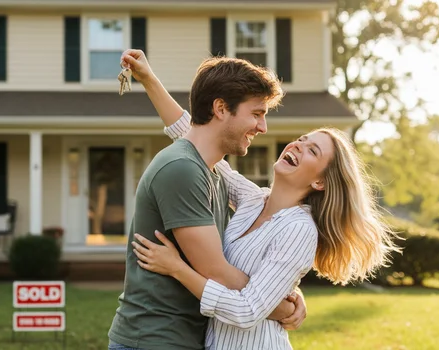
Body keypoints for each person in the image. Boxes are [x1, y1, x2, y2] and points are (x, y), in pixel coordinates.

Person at [125, 49, 401, 349]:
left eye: (312, 151)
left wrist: (178, 268)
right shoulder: (252, 200)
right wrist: (149, 79)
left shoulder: (299, 229)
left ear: (320, 181)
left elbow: (247, 309)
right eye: (303, 140)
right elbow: (193, 135)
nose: (298, 145)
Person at [107, 50, 307, 350]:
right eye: (256, 114)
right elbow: (216, 272)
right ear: (221, 108)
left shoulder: (212, 173)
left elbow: (182, 126)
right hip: (152, 339)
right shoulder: (183, 169)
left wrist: (148, 79)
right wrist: (281, 308)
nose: (263, 128)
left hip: (181, 338)